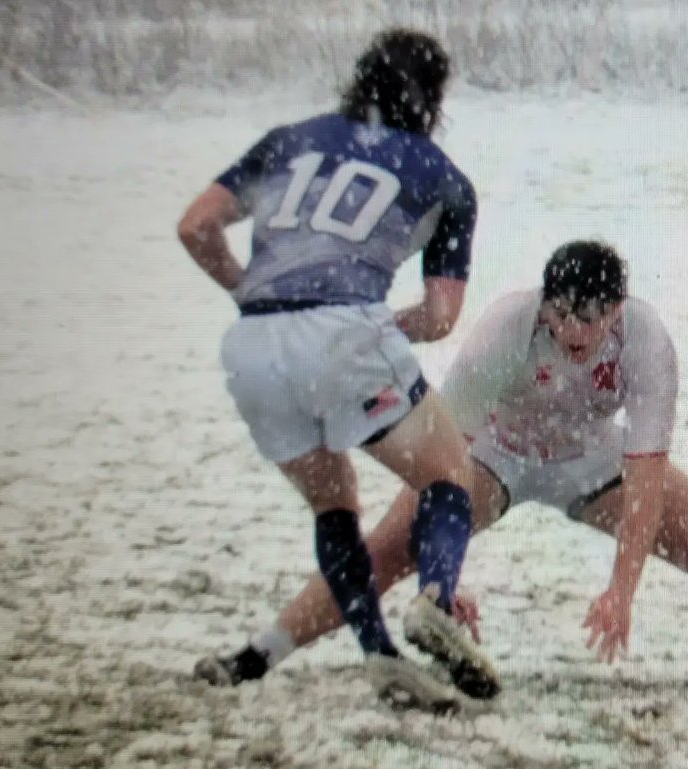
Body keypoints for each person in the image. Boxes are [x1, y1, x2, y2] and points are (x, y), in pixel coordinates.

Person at [218, 240, 688, 697]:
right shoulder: (506, 328)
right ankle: (255, 657)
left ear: (618, 309)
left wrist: (622, 589)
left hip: (591, 457)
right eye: (562, 315)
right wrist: (444, 572)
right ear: (545, 304)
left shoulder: (647, 342)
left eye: (592, 318)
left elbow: (646, 479)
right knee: (384, 550)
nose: (574, 332)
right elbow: (441, 463)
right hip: (490, 453)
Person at [176, 28, 498, 712]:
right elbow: (441, 315)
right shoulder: (442, 177)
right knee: (448, 473)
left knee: (334, 504)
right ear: (434, 98)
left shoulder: (288, 140)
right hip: (345, 329)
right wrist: (374, 329)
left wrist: (247, 289)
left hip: (253, 344)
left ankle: (379, 653)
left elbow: (196, 225)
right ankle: (434, 599)